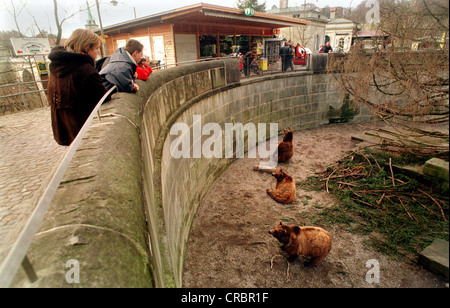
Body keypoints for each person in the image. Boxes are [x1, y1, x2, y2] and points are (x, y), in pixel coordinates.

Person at [47, 29, 107, 146]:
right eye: (95, 48)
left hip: (63, 129)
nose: (97, 53)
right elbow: (102, 97)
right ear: (87, 48)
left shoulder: (56, 65)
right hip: (82, 129)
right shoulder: (85, 69)